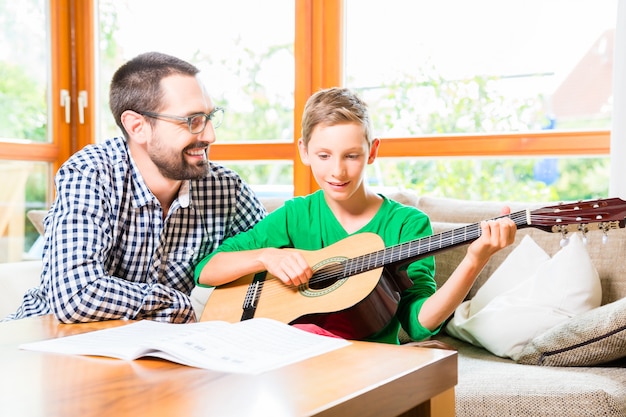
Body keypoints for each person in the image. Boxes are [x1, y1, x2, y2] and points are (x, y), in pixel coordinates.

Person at [194, 87, 517, 343]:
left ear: (372, 151)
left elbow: (419, 325)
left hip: (364, 364)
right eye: (323, 155)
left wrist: (475, 259)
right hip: (288, 355)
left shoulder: (406, 224)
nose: (337, 171)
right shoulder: (296, 215)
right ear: (304, 151)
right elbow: (206, 270)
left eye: (351, 156)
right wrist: (265, 257)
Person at [3, 52, 266, 324]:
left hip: (157, 353)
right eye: (193, 121)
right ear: (137, 126)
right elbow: (77, 295)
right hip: (43, 340)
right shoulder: (91, 173)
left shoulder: (226, 189)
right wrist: (183, 305)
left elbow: (277, 263)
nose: (211, 135)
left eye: (210, 117)